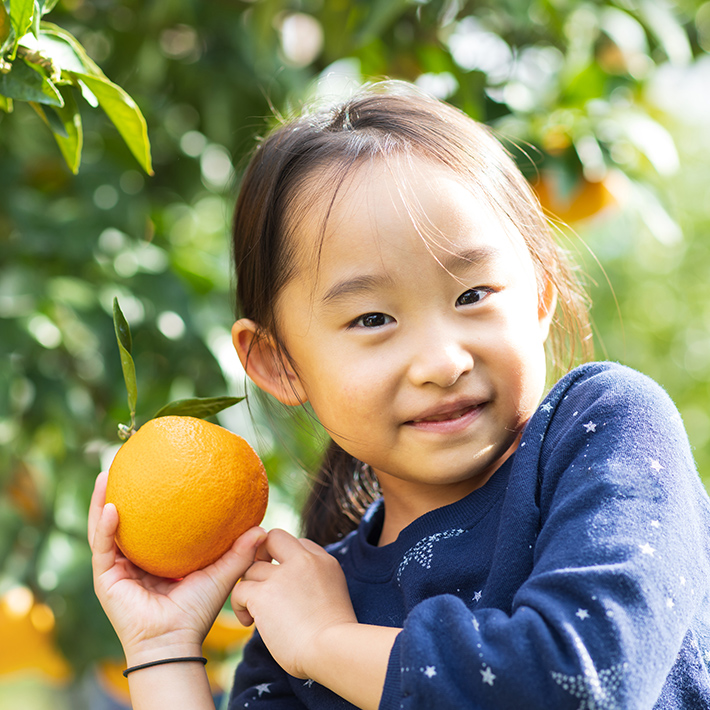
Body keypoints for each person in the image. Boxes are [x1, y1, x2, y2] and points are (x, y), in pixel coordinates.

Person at [89, 82, 710, 710]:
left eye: (473, 295)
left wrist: (331, 641)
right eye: (372, 319)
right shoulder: (297, 612)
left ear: (540, 296)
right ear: (279, 364)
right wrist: (161, 647)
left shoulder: (602, 431)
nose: (443, 362)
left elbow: (578, 682)